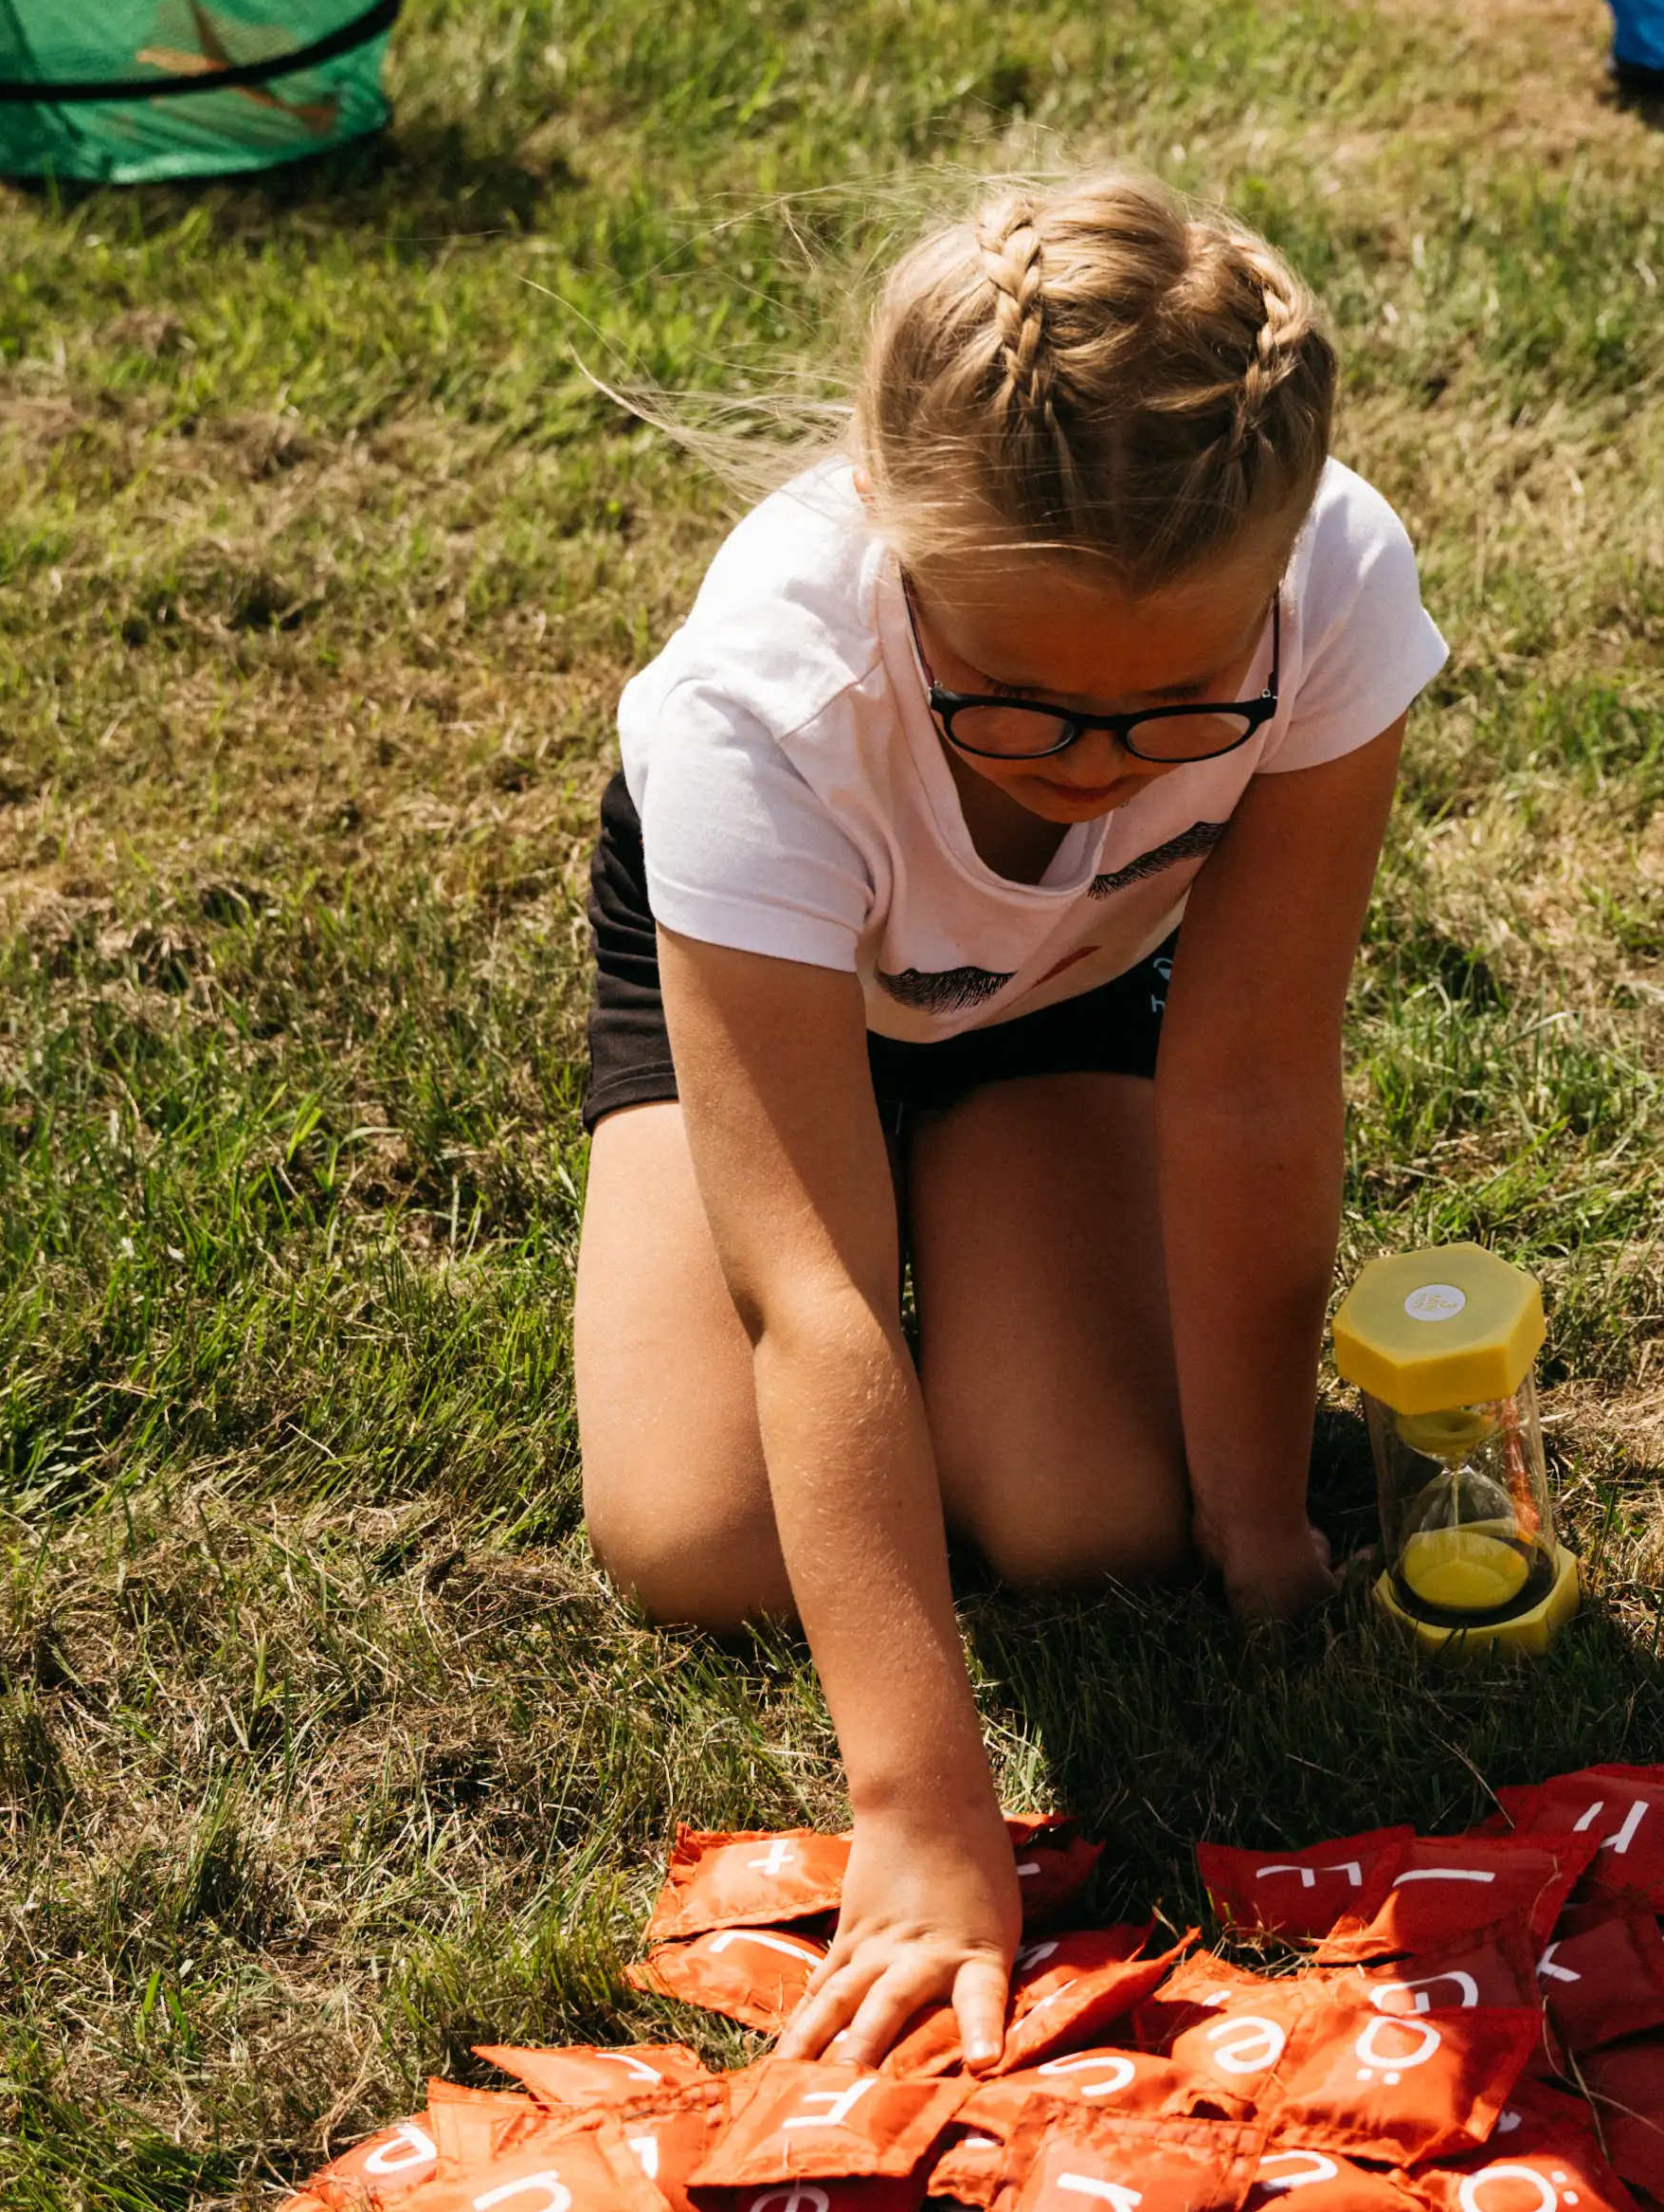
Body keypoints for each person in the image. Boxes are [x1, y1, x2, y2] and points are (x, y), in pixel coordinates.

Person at [574, 174, 1444, 2066]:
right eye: (1025, 707)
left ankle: (1008, 1222)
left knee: (1091, 1514)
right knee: (699, 1543)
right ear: (899, 550)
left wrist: (1262, 1511)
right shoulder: (763, 707)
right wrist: (922, 1805)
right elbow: (810, 1282)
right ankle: (954, 1267)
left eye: (1174, 719)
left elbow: (1253, 1076)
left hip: (1060, 998)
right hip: (772, 987)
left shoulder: (1335, 587)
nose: (1093, 769)